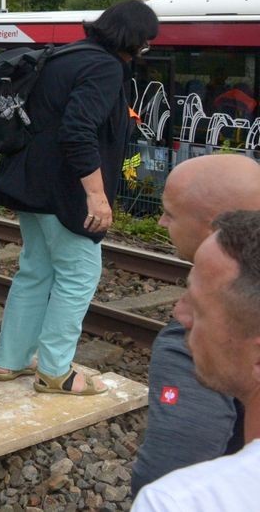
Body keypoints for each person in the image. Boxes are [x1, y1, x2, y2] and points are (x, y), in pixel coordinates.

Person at [0, 0, 159, 395]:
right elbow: (78, 131)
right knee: (79, 274)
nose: (145, 49)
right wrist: (97, 197)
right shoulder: (104, 66)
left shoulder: (66, 55)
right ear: (131, 38)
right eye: (146, 42)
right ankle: (55, 371)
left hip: (28, 183)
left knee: (36, 270)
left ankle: (10, 360)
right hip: (65, 190)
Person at [130, 154, 260, 494]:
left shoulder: (193, 340)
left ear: (214, 226)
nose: (160, 222)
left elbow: (170, 471)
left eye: (170, 213)